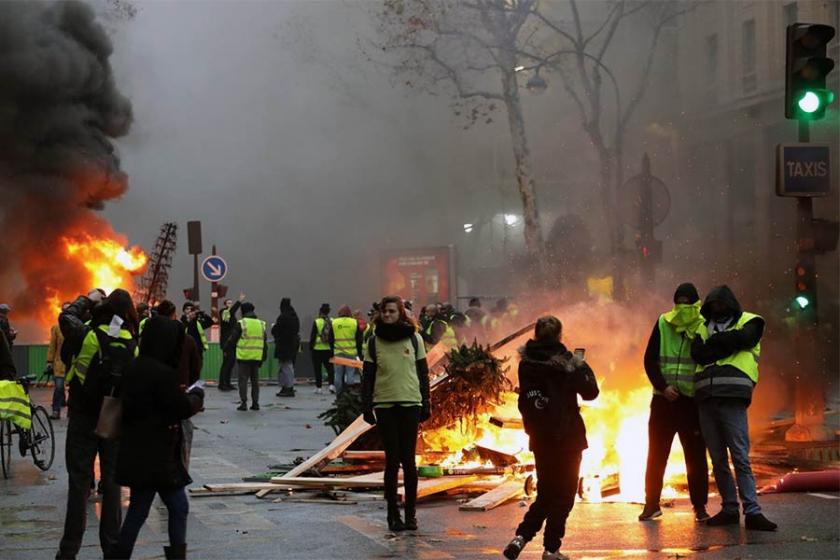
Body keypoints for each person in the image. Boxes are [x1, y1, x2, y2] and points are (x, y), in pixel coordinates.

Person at [504, 316, 599, 560]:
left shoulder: (527, 365)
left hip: (541, 439)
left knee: (546, 494)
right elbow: (591, 392)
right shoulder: (568, 363)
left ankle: (521, 537)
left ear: (536, 335)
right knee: (564, 496)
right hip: (568, 438)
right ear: (559, 336)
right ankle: (551, 549)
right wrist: (580, 365)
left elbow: (527, 399)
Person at [110, 316, 205, 559]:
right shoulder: (163, 374)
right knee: (178, 506)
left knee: (138, 510)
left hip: (136, 452)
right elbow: (179, 408)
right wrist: (196, 397)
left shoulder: (134, 367)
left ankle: (119, 555)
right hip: (159, 456)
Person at [56, 289, 139, 560]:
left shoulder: (86, 334)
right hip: (113, 414)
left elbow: (66, 316)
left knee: (79, 484)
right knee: (113, 483)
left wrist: (86, 298)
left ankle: (69, 552)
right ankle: (112, 549)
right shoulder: (130, 341)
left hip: (83, 414)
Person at [691, 285, 777, 531]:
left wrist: (717, 342)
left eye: (721, 304)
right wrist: (727, 342)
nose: (717, 309)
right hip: (706, 398)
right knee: (718, 459)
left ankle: (752, 511)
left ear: (730, 304)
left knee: (739, 456)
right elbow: (699, 354)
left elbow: (746, 339)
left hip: (732, 396)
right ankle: (730, 508)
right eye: (713, 305)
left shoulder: (751, 321)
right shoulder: (701, 327)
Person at [639, 283, 709, 522]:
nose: (683, 306)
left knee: (696, 457)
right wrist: (663, 387)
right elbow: (650, 360)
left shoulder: (703, 325)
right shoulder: (663, 323)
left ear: (696, 303)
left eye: (687, 302)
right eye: (679, 301)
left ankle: (699, 507)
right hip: (663, 402)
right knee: (656, 455)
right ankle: (651, 504)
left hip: (691, 403)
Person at [361, 296, 430, 532]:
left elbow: (423, 372)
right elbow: (368, 376)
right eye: (384, 311)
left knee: (409, 461)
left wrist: (427, 402)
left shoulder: (414, 338)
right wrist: (366, 405)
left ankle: (411, 514)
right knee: (392, 462)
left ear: (401, 313)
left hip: (410, 402)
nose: (388, 315)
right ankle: (393, 515)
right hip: (385, 404)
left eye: (392, 311)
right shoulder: (373, 341)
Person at [225, 302, 267, 411]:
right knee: (255, 381)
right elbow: (264, 342)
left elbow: (232, 339)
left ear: (243, 311)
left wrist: (226, 349)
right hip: (256, 357)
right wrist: (263, 357)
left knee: (243, 381)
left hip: (244, 357)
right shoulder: (261, 324)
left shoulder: (242, 323)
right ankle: (255, 403)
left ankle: (244, 403)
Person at [330, 305, 363, 394]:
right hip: (351, 353)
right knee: (350, 374)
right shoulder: (354, 322)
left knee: (338, 374)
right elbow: (359, 339)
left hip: (338, 352)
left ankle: (339, 394)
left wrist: (331, 352)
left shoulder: (334, 322)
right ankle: (350, 394)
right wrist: (359, 353)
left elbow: (330, 338)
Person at [272, 298, 300, 397]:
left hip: (283, 345)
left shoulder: (283, 317)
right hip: (292, 344)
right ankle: (289, 386)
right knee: (289, 366)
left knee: (284, 367)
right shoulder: (294, 316)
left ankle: (286, 387)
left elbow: (276, 330)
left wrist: (274, 328)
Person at [47, 303, 71, 420]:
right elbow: (52, 346)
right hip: (59, 363)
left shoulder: (77, 326)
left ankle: (71, 412)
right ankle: (56, 411)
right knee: (59, 388)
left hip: (73, 363)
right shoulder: (56, 328)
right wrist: (49, 361)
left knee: (74, 389)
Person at [217, 295, 244, 391]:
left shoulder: (231, 315)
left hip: (232, 342)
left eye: (231, 303)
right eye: (228, 303)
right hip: (226, 343)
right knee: (226, 363)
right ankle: (222, 384)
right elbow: (231, 311)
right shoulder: (224, 312)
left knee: (231, 362)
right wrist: (239, 301)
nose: (230, 305)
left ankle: (227, 383)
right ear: (224, 305)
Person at [309, 303, 334, 394]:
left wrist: (311, 347)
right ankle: (331, 385)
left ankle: (319, 387)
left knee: (317, 369)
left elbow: (313, 335)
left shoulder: (317, 321)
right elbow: (333, 336)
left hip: (317, 349)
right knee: (330, 368)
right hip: (328, 349)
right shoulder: (331, 321)